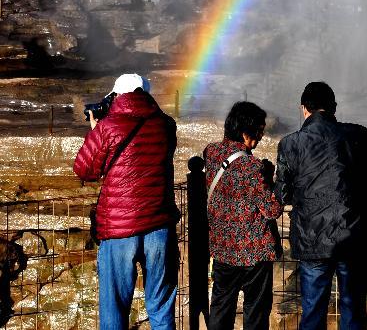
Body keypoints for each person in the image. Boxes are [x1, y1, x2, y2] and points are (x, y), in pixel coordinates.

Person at [74, 74, 179, 330]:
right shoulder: (166, 125)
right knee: (161, 306)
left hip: (120, 230)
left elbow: (84, 169)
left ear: (117, 96)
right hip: (159, 226)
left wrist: (97, 130)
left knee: (115, 309)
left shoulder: (108, 127)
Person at [274, 82, 367, 330]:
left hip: (312, 238)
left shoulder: (290, 144)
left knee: (312, 312)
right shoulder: (358, 134)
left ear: (304, 109)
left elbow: (283, 193)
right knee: (353, 311)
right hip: (354, 236)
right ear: (333, 107)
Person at [204, 101, 282, 330]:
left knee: (220, 307)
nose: (259, 139)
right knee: (255, 313)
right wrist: (268, 178)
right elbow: (272, 210)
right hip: (254, 253)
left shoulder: (211, 153)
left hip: (222, 248)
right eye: (258, 132)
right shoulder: (252, 166)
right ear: (245, 132)